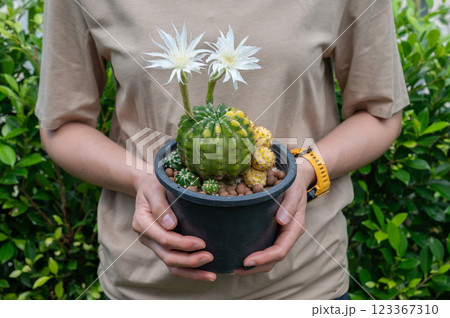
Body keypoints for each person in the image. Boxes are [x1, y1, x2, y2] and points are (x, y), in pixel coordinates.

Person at [36, 0, 409, 299]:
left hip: (303, 286)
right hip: (144, 288)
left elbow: (379, 113)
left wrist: (308, 173)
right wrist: (141, 179)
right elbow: (62, 125)